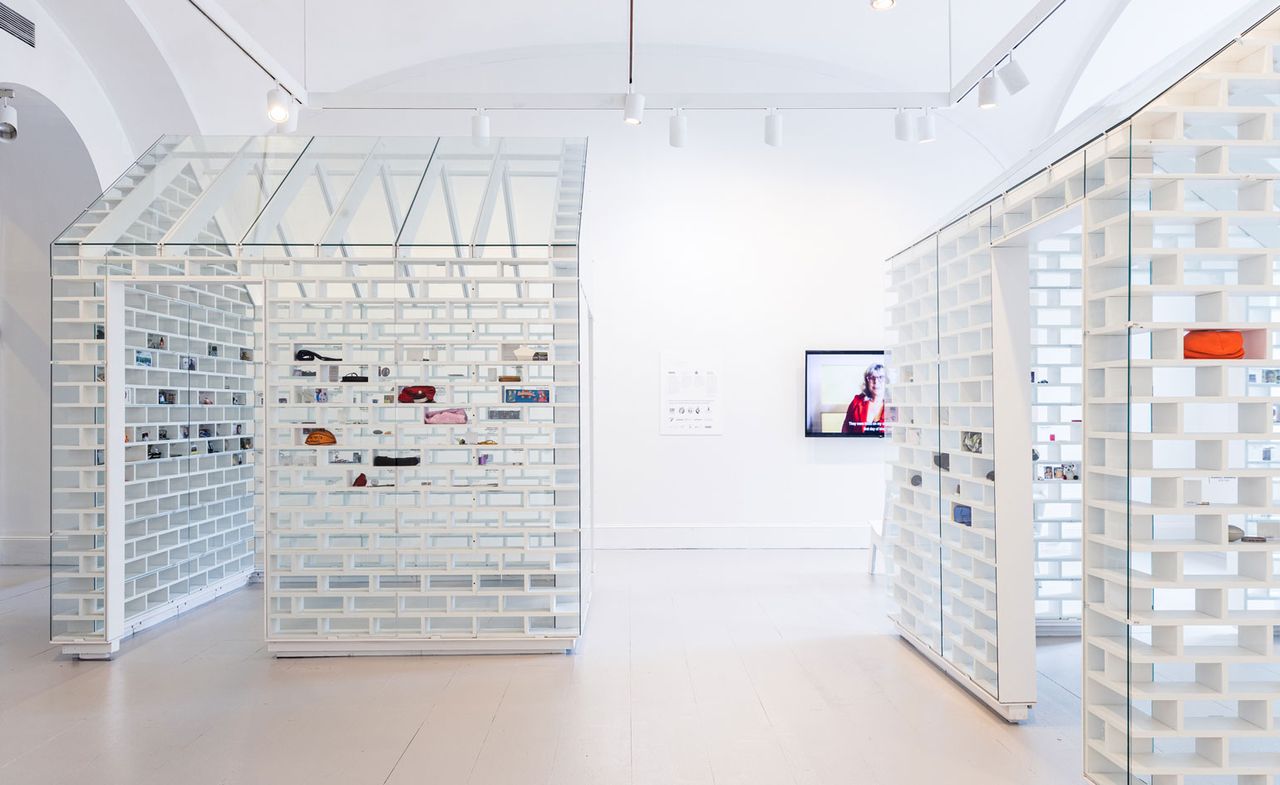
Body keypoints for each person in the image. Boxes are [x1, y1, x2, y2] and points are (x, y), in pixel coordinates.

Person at [842, 363, 887, 435]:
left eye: (881, 377)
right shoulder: (856, 402)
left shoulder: (894, 405)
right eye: (872, 378)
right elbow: (845, 431)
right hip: (858, 445)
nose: (876, 382)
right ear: (866, 381)